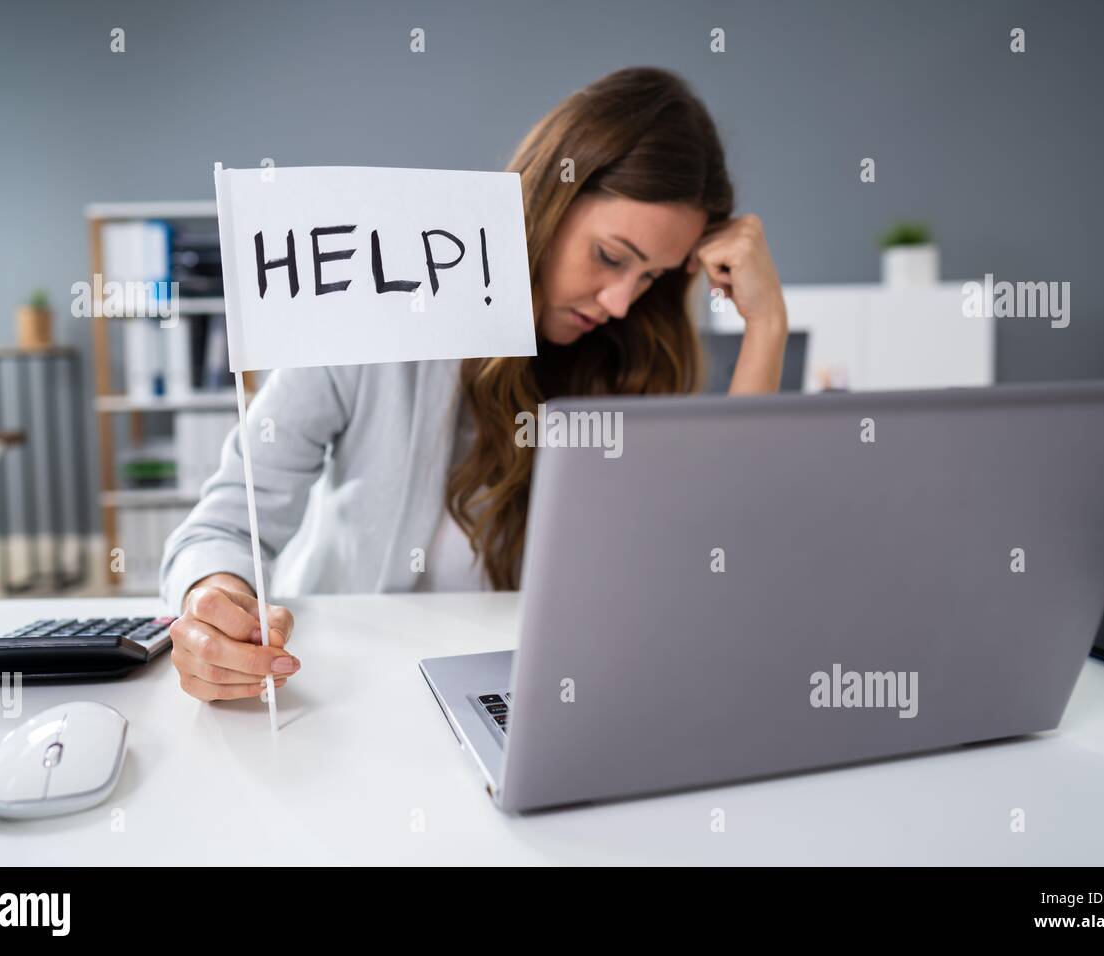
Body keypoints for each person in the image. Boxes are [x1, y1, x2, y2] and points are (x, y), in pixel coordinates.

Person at [160, 66, 790, 702]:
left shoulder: (627, 359)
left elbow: (711, 558)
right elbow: (225, 529)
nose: (623, 302)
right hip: (352, 694)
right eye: (611, 257)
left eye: (651, 276)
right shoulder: (372, 309)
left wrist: (767, 327)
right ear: (549, 203)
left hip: (539, 692)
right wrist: (216, 605)